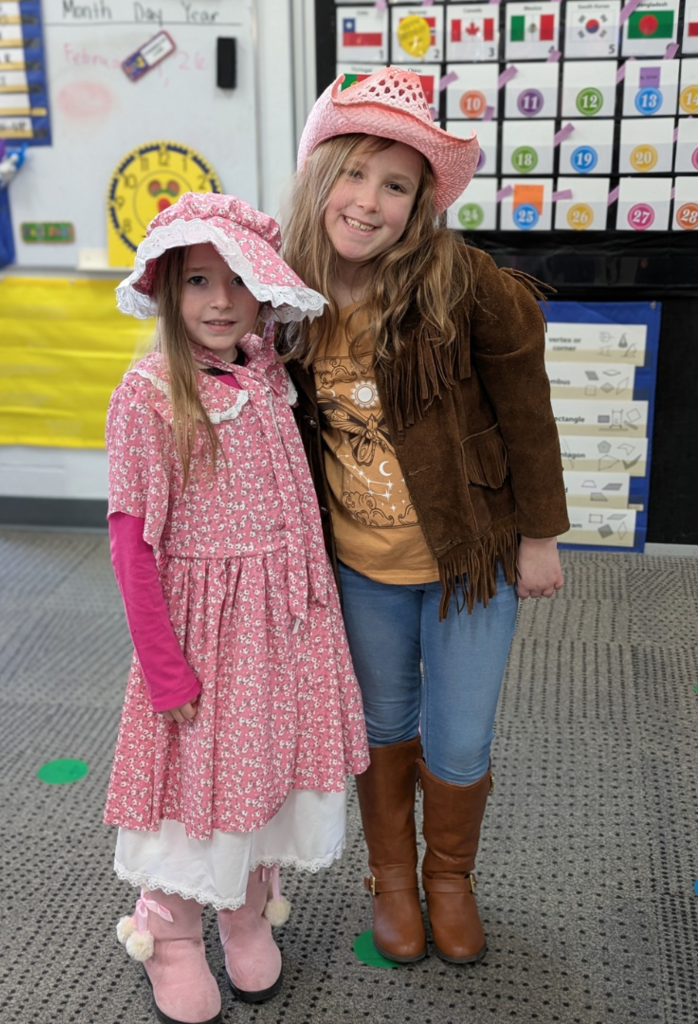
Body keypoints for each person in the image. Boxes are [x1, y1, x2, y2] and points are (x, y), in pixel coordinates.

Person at [278, 67, 570, 967]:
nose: (368, 202)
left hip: (468, 558)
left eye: (396, 185)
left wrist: (537, 534)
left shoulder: (462, 282)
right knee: (381, 724)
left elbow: (526, 405)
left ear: (420, 205)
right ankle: (393, 879)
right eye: (355, 174)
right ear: (320, 175)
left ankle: (449, 876)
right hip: (358, 566)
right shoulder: (284, 291)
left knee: (459, 732)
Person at [104, 192, 369, 1024]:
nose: (219, 302)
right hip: (203, 635)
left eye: (238, 281)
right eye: (196, 282)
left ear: (264, 292)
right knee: (200, 780)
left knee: (265, 771)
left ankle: (245, 907)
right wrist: (162, 666)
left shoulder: (270, 373)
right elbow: (131, 545)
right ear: (164, 291)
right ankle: (173, 930)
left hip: (285, 625)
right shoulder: (147, 393)